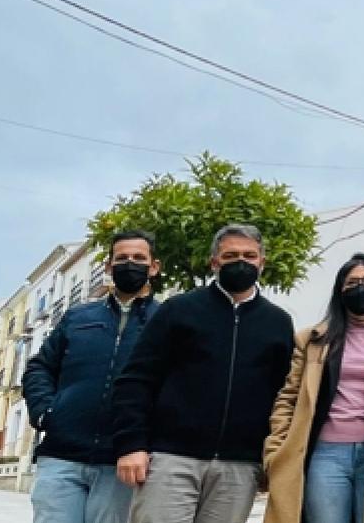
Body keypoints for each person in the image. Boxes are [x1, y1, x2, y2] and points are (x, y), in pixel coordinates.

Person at [111, 223, 295, 523]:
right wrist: (131, 445)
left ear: (262, 261)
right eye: (231, 255)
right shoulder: (178, 310)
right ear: (214, 262)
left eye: (249, 255)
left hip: (239, 466)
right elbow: (136, 380)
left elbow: (282, 396)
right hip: (171, 460)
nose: (241, 262)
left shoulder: (278, 323)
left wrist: (269, 459)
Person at [264, 253, 364, 523]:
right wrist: (275, 449)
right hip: (325, 454)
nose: (360, 288)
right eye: (352, 283)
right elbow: (288, 397)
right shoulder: (312, 340)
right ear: (340, 290)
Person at [23, 231, 162, 523]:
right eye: (122, 258)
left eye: (139, 258)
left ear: (154, 267)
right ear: (109, 267)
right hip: (62, 456)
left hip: (122, 463)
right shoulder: (78, 317)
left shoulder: (167, 321)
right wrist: (45, 412)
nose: (130, 264)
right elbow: (40, 367)